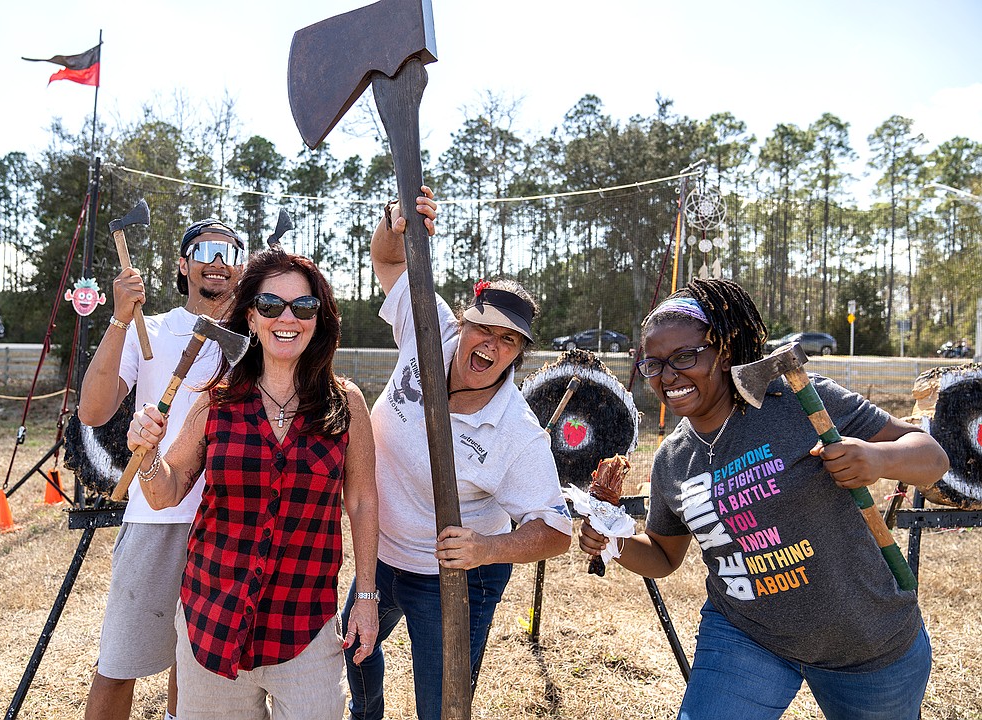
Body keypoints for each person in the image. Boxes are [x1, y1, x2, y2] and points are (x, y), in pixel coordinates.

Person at [579, 278, 949, 720]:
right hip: (746, 634)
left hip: (866, 639)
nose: (668, 376)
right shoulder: (673, 460)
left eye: (684, 357)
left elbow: (933, 458)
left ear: (725, 353)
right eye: (653, 364)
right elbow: (663, 555)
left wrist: (877, 458)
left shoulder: (798, 401)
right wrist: (615, 542)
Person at [341, 188, 573, 720]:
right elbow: (389, 260)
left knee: (443, 704)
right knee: (356, 651)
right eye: (483, 328)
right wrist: (395, 221)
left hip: (454, 574)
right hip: (382, 553)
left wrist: (486, 549)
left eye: (508, 340)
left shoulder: (516, 432)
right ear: (462, 323)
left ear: (519, 352)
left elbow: (556, 531)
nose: (490, 345)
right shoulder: (429, 329)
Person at [127, 242, 379, 720]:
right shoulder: (215, 401)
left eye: (303, 306)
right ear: (250, 317)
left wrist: (365, 597)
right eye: (270, 304)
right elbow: (164, 492)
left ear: (319, 318)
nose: (287, 317)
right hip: (212, 621)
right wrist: (147, 455)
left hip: (304, 624)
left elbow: (363, 502)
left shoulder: (346, 405)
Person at [78, 217, 247, 720]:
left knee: (194, 664)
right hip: (157, 516)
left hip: (227, 521)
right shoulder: (148, 330)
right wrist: (118, 318)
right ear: (183, 264)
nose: (218, 262)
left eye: (230, 253)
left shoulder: (258, 335)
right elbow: (93, 410)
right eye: (206, 250)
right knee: (119, 661)